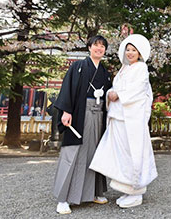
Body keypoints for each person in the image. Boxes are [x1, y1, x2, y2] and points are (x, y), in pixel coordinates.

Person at [89, 34, 158, 208]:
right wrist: (110, 94)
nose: (130, 53)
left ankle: (136, 192)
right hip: (119, 116)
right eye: (128, 49)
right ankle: (127, 190)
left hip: (131, 119)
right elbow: (116, 88)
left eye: (134, 50)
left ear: (140, 53)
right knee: (120, 154)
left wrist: (119, 94)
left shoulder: (141, 68)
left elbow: (137, 90)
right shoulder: (124, 69)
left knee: (132, 153)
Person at [53, 35, 112, 214]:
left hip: (99, 114)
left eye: (102, 46)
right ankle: (63, 198)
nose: (99, 49)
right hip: (79, 113)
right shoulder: (78, 67)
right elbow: (67, 88)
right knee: (73, 153)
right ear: (89, 47)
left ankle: (94, 192)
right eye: (96, 45)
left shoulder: (104, 72)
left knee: (95, 153)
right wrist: (66, 111)